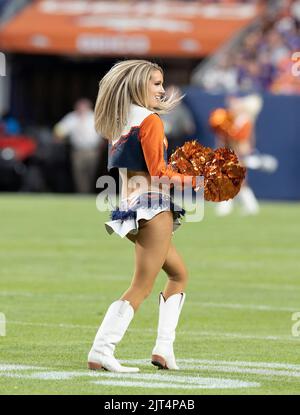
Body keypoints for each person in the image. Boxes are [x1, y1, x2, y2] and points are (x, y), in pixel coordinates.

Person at [87, 60, 200, 373]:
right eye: (155, 83)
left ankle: (164, 349)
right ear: (137, 85)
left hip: (129, 206)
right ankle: (102, 350)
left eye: (162, 83)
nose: (162, 90)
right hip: (152, 206)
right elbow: (159, 172)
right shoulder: (150, 120)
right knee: (141, 285)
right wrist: (196, 179)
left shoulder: (121, 119)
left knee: (178, 274)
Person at [53, 98, 102, 193]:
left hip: (92, 151)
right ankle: (83, 194)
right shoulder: (72, 117)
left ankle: (91, 193)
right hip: (78, 151)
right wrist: (58, 137)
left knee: (92, 173)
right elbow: (60, 129)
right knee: (79, 174)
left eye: (84, 107)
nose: (82, 109)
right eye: (80, 107)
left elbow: (103, 134)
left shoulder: (95, 117)